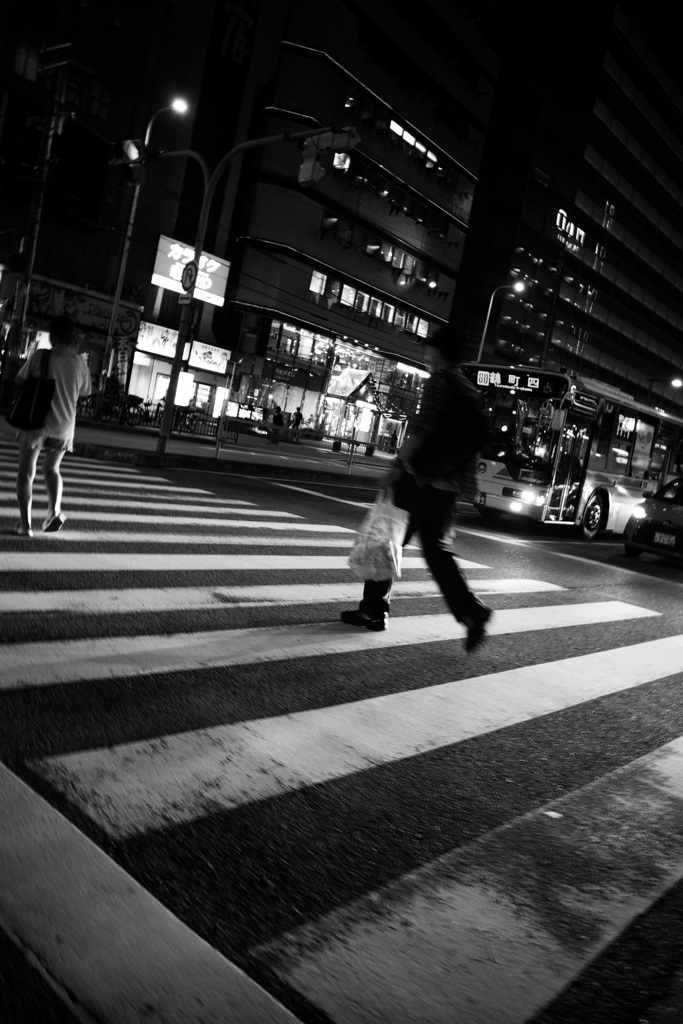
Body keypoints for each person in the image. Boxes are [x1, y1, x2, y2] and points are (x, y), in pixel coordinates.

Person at [340, 325, 492, 653]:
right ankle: (472, 611)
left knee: (386, 541)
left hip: (421, 480)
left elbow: (422, 430)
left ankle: (373, 611)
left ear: (437, 351)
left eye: (429, 349)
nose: (426, 354)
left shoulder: (441, 381)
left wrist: (397, 467)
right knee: (438, 554)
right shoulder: (468, 387)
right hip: (448, 488)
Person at [13, 315, 91, 537]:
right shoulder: (80, 363)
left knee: (26, 472)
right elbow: (85, 392)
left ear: (53, 336)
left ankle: (26, 525)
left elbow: (19, 380)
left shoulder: (41, 356)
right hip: (63, 425)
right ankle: (54, 511)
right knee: (52, 469)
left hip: (34, 421)